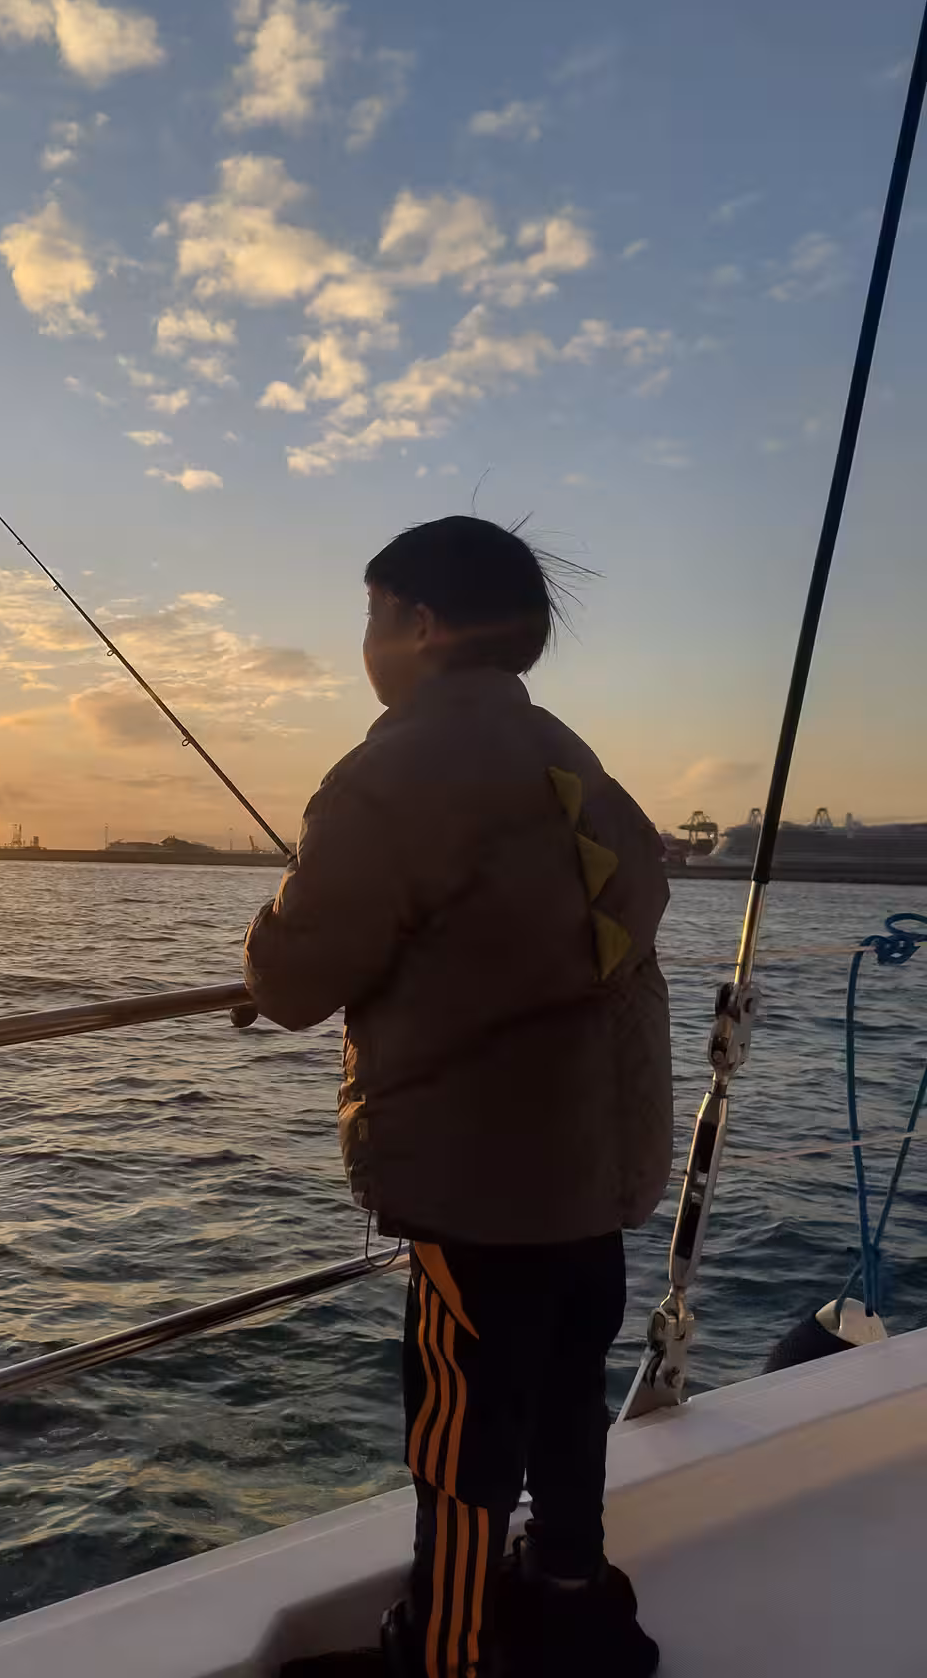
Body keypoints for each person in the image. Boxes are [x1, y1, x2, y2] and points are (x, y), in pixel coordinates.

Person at [244, 515, 672, 1678]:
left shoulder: (391, 771)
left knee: (462, 1442)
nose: (366, 642)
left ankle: (446, 1652)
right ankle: (570, 1600)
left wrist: (272, 936)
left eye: (373, 616)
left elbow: (293, 980)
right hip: (595, 1179)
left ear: (421, 625)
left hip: (483, 1195)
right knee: (567, 1399)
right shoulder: (572, 757)